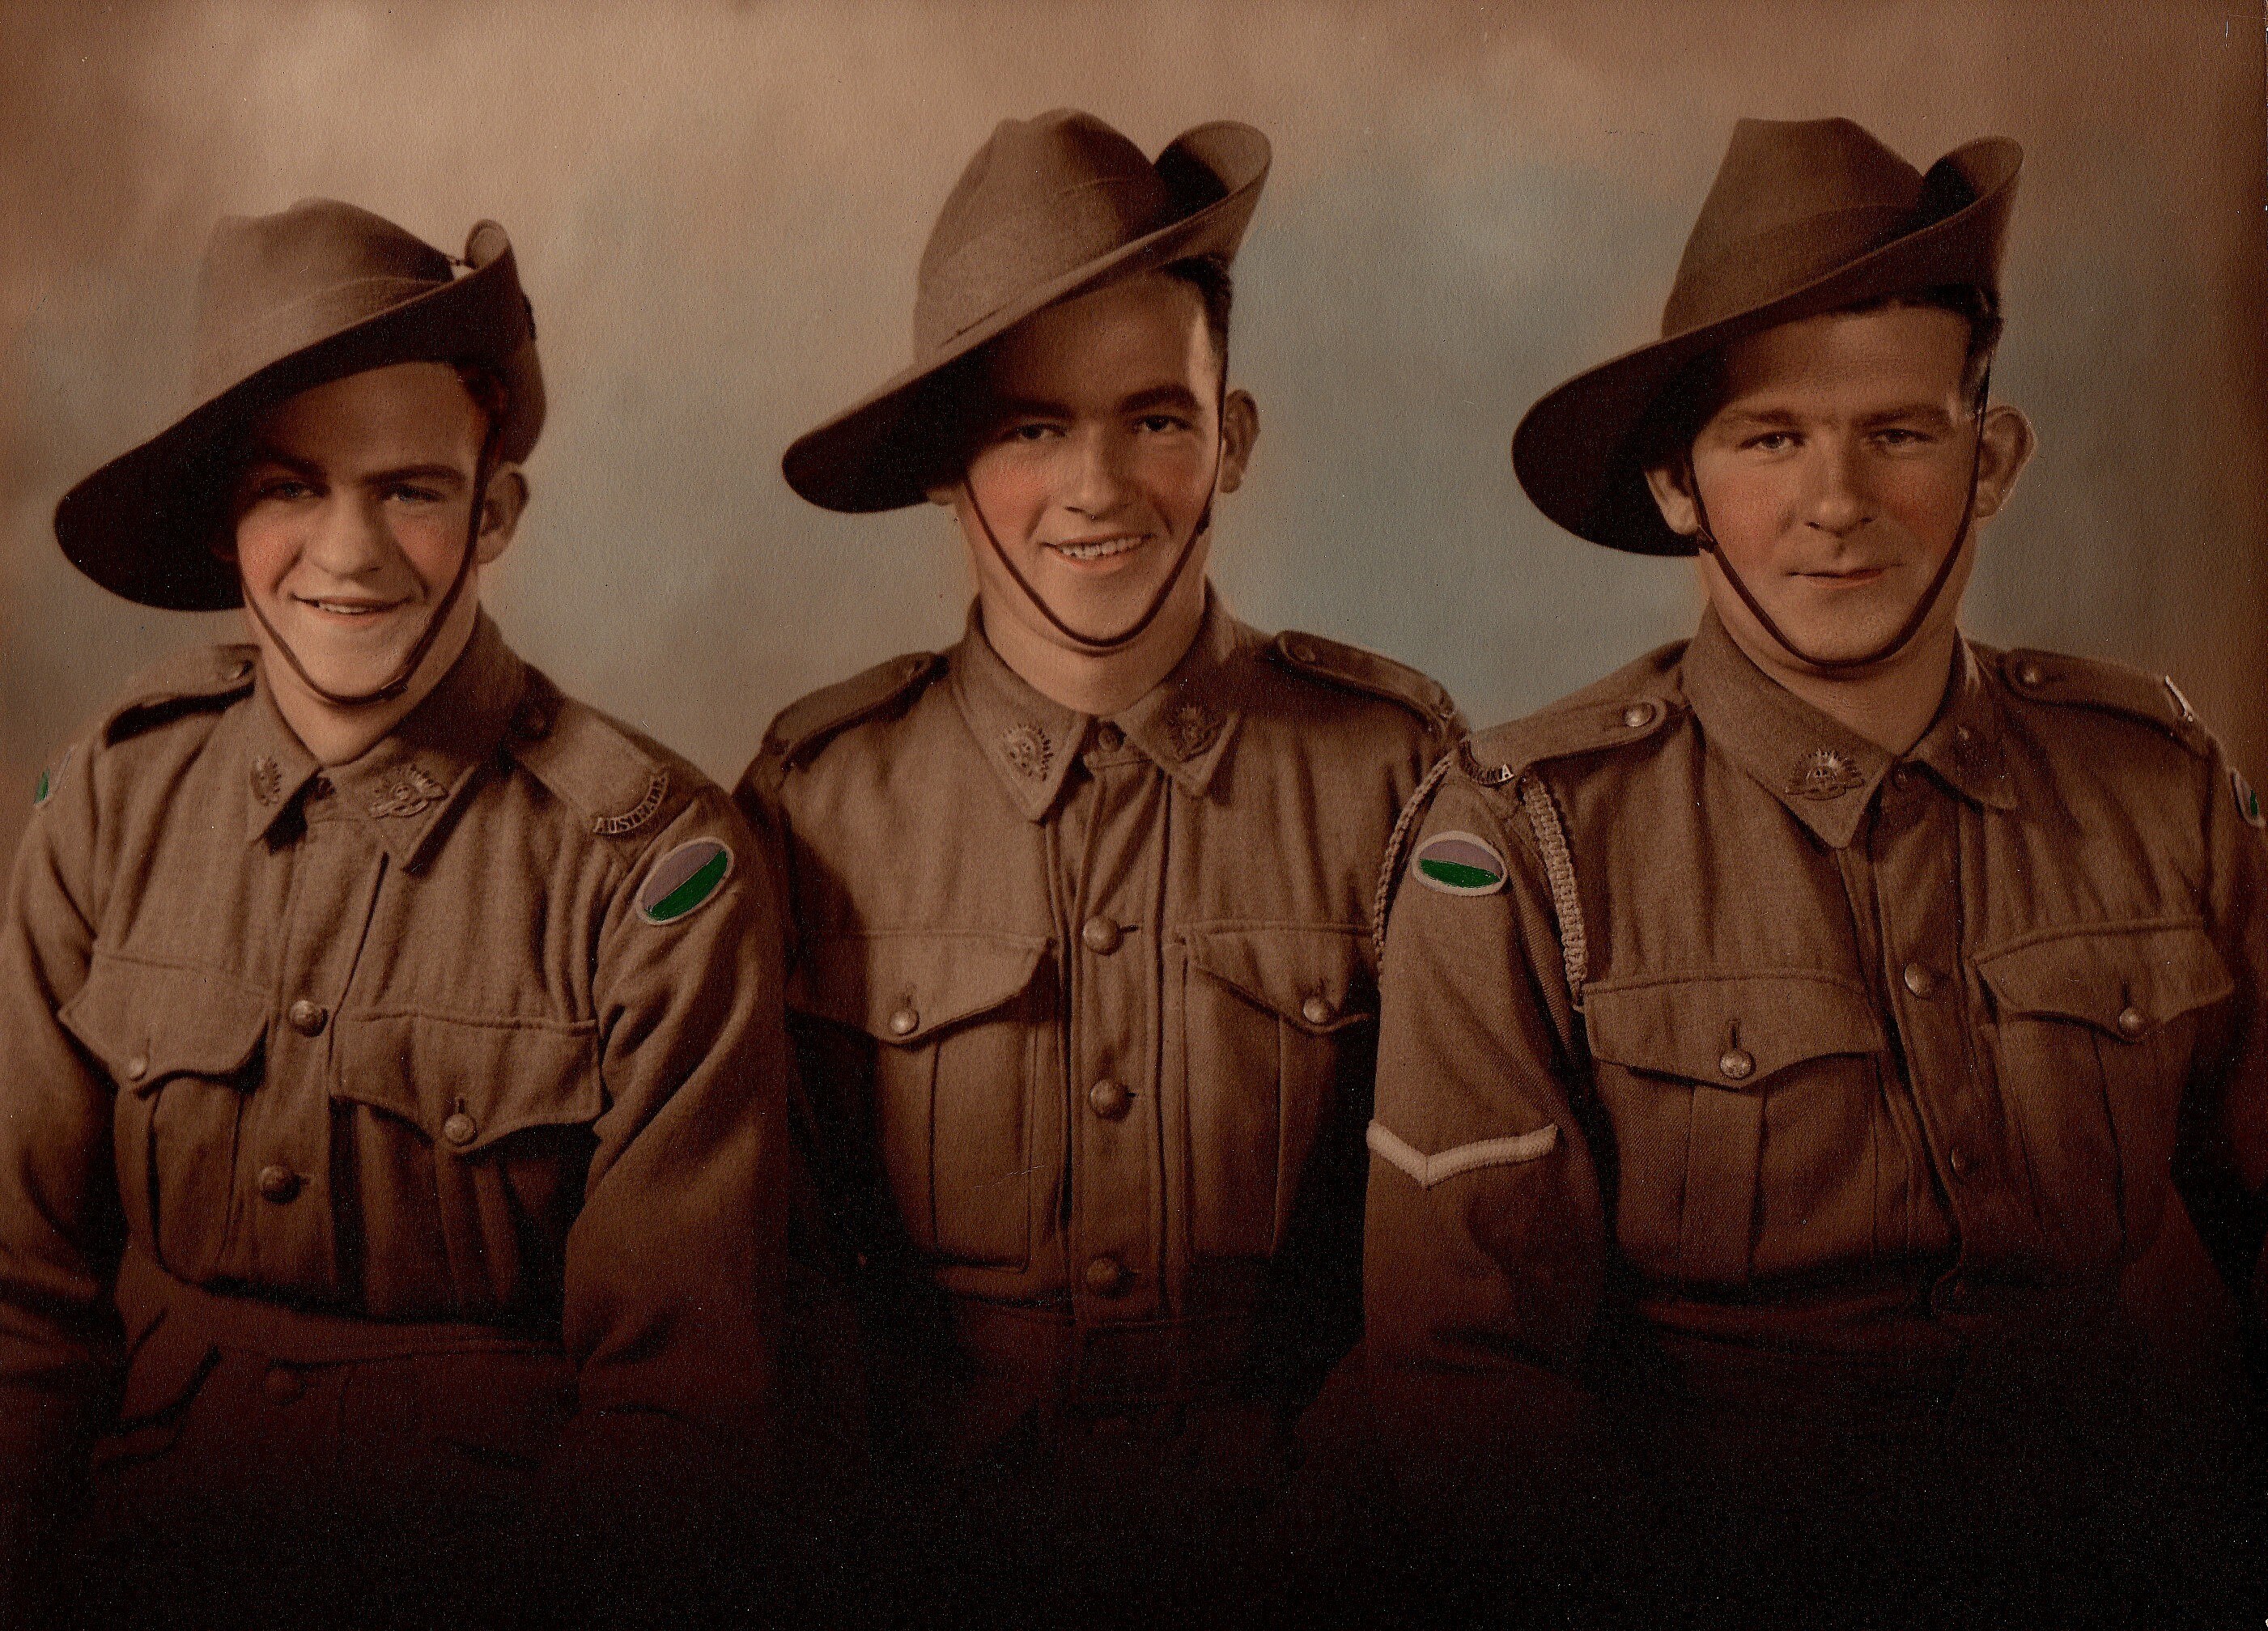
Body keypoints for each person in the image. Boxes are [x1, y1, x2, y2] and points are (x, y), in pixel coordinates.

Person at [1359, 117, 2264, 1625]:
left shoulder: (2153, 785)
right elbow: (1467, 1393)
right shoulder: (1522, 838)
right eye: (1769, 437)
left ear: (1993, 458)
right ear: (1674, 484)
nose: (1835, 499)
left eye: (1899, 433)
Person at [0, 199, 788, 1626]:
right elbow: (20, 1311)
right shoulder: (111, 802)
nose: (347, 553)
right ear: (226, 513)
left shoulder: (647, 867)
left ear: (494, 511)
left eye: (411, 491)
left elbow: (672, 1412)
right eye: (290, 488)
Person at [739, 109, 1463, 1616]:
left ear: (1234, 441)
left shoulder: (1394, 768)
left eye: (1156, 416)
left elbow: (1452, 1269)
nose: (1098, 485)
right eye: (1029, 427)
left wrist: (1308, 1542)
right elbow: (776, 1282)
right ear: (949, 466)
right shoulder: (821, 797)